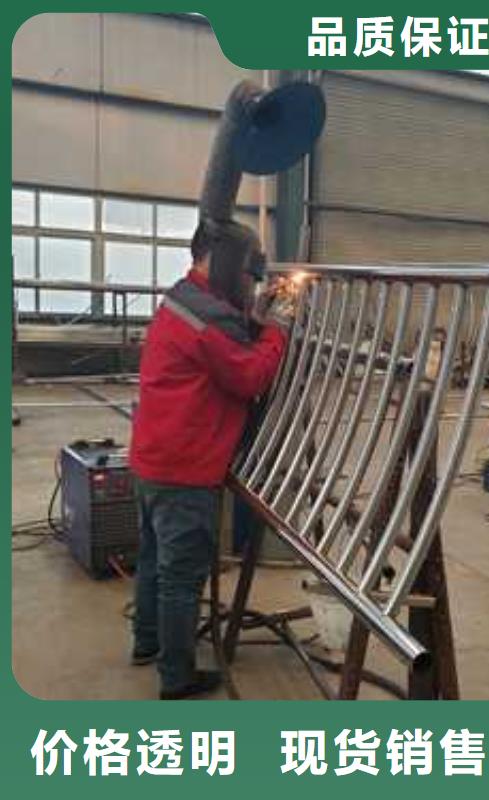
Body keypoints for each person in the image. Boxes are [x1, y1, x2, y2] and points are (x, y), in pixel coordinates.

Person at [129, 220, 296, 700]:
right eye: (245, 271)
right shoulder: (209, 320)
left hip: (152, 459)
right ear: (220, 262)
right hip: (185, 470)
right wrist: (278, 329)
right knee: (182, 577)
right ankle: (176, 676)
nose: (248, 281)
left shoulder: (183, 299)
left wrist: (257, 317)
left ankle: (147, 642)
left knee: (154, 559)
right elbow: (250, 376)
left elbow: (226, 341)